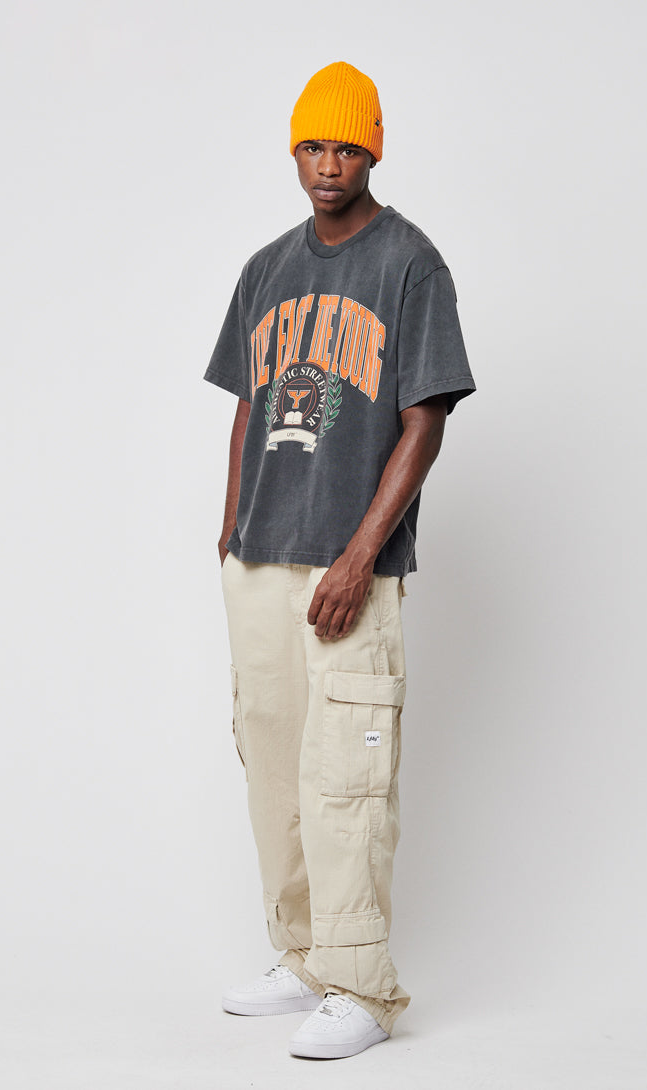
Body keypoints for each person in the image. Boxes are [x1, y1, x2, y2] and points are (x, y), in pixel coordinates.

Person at [204, 60, 475, 1060]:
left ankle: (361, 986)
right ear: (294, 151)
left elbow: (424, 420)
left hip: (345, 567)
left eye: (346, 148)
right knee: (273, 769)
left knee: (345, 779)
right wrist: (230, 528)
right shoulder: (265, 268)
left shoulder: (409, 263)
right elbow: (247, 403)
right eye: (312, 146)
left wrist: (361, 554)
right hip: (260, 560)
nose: (328, 165)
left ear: (373, 153)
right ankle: (306, 956)